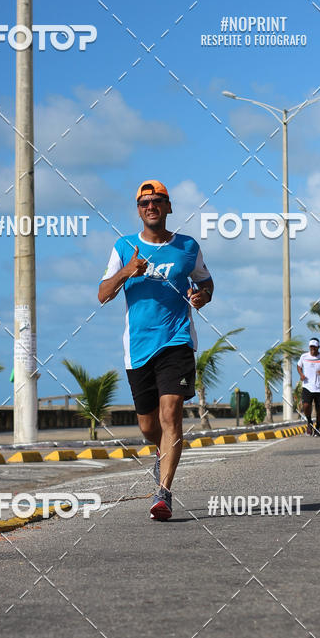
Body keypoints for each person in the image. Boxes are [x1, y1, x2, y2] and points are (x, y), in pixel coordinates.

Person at [98, 180, 213, 521]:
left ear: (168, 207)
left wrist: (203, 296)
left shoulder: (187, 247)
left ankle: (163, 493)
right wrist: (126, 271)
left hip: (177, 341)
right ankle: (161, 454)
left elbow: (205, 281)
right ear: (138, 210)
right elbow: (103, 294)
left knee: (171, 414)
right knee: (149, 427)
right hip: (137, 349)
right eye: (145, 202)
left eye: (158, 201)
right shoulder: (124, 247)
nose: (151, 206)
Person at [297, 338, 320, 436]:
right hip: (307, 386)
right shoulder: (304, 357)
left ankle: (317, 428)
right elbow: (299, 366)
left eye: (315, 347)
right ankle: (309, 422)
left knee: (319, 409)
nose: (313, 349)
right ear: (309, 347)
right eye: (311, 347)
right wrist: (301, 374)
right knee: (305, 405)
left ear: (318, 347)